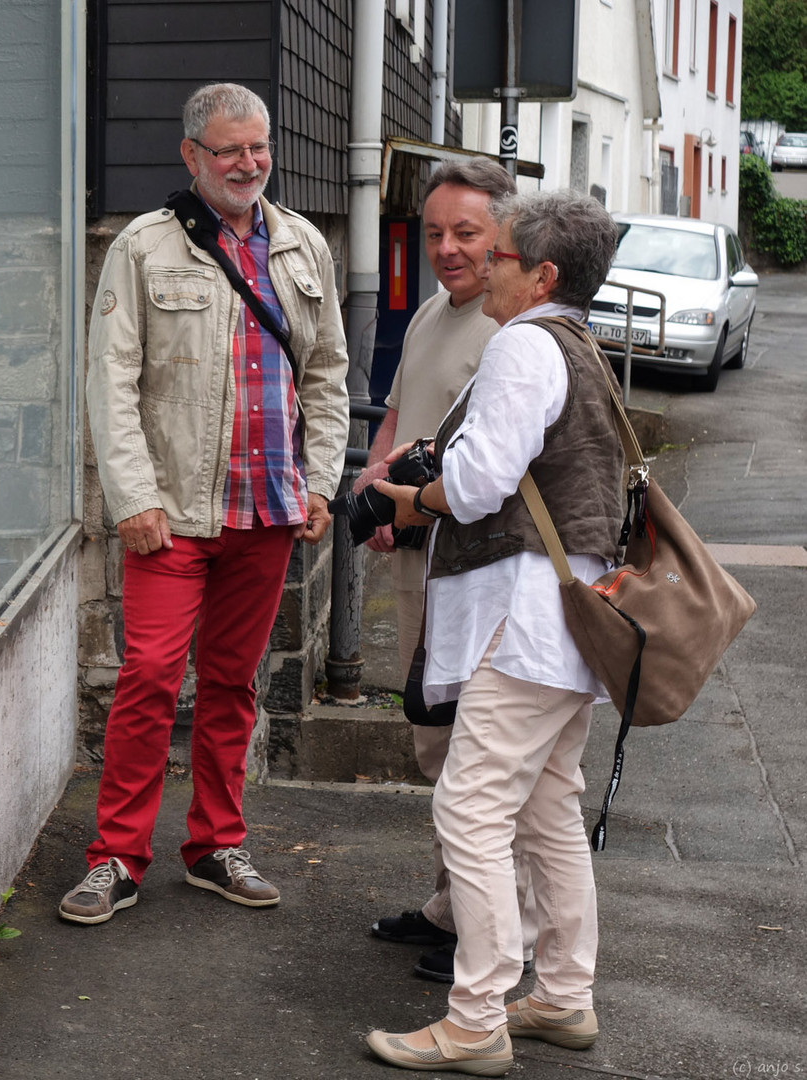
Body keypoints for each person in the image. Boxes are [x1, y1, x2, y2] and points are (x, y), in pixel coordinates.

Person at [59, 82, 349, 924]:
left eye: (258, 147)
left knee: (233, 682)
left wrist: (320, 481)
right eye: (229, 150)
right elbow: (109, 384)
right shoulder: (145, 248)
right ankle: (115, 856)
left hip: (267, 509)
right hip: (172, 514)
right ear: (192, 156)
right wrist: (134, 496)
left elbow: (327, 373)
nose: (248, 164)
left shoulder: (301, 245)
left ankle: (217, 845)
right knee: (149, 677)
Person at [364, 189, 624, 1074]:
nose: (483, 263)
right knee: (550, 811)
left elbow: (477, 486)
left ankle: (476, 1017)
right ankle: (562, 993)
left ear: (542, 273)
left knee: (470, 809)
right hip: (573, 621)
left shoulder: (521, 345)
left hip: (521, 623)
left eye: (500, 253)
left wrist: (409, 496)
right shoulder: (582, 346)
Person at [355, 159, 534, 983]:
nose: (448, 249)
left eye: (466, 232)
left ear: (503, 234)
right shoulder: (433, 311)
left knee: (482, 755)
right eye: (434, 233)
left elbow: (496, 468)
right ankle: (450, 904)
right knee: (436, 741)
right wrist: (372, 472)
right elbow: (401, 411)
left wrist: (407, 503)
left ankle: (500, 931)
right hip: (419, 560)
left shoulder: (511, 327)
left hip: (477, 568)